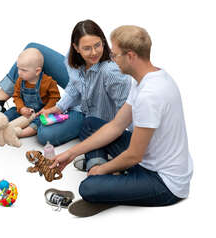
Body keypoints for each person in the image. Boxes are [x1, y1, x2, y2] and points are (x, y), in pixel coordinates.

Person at [49, 25, 193, 217]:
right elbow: (116, 126)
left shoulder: (150, 95)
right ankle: (118, 184)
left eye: (115, 55)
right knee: (90, 123)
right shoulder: (144, 79)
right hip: (148, 160)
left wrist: (101, 169)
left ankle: (114, 188)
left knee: (88, 187)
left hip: (164, 182)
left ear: (131, 56)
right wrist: (70, 153)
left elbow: (134, 156)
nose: (112, 59)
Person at [0, 19, 131, 146]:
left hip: (89, 113)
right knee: (33, 50)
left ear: (103, 41)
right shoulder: (74, 58)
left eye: (98, 45)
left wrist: (135, 140)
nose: (94, 52)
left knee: (45, 135)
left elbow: (127, 107)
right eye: (87, 48)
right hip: (80, 91)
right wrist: (58, 107)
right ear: (76, 48)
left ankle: (31, 119)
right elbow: (74, 88)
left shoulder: (111, 72)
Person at [0, 48, 60, 140]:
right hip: (24, 109)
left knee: (39, 122)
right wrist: (22, 108)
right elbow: (16, 96)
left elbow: (55, 98)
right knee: (10, 113)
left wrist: (46, 109)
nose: (19, 73)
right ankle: (0, 125)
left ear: (37, 71)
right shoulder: (20, 81)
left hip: (40, 112)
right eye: (18, 68)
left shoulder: (48, 82)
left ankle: (18, 133)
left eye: (24, 70)